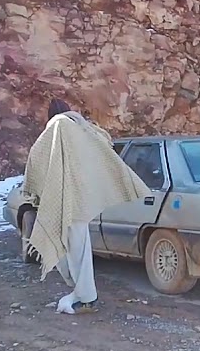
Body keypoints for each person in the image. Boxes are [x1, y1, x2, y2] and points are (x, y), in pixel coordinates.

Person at [21, 99, 150, 314]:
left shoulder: (58, 126)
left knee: (69, 250)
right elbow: (106, 143)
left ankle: (86, 296)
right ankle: (83, 294)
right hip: (81, 201)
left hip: (64, 201)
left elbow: (37, 156)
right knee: (78, 249)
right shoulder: (84, 129)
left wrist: (33, 186)